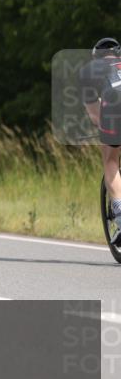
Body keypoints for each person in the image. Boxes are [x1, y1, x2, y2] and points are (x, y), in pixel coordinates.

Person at [80, 37, 121, 241]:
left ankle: (120, 215)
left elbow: (95, 115)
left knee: (110, 159)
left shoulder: (88, 70)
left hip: (114, 106)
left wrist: (102, 128)